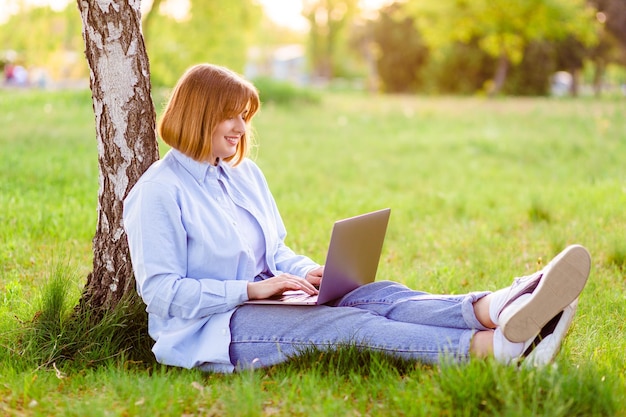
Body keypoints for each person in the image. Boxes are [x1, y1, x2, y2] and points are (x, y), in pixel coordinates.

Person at [123, 64, 591, 373]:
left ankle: (499, 308)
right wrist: (251, 289)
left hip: (270, 301)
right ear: (199, 114)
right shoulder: (159, 193)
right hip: (215, 329)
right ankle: (498, 350)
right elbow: (162, 292)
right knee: (348, 327)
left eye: (246, 117)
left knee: (374, 295)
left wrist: (304, 272)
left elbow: (276, 250)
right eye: (232, 117)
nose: (243, 129)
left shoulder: (243, 175)